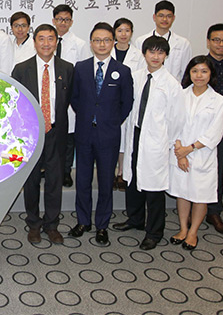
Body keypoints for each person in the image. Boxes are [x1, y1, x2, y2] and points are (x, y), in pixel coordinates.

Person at [113, 36, 185, 250]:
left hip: (157, 141)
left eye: (160, 53)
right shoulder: (135, 77)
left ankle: (154, 232)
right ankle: (135, 219)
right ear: (144, 54)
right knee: (134, 180)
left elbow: (176, 119)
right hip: (135, 134)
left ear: (166, 56)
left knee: (154, 188)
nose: (155, 56)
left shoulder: (171, 84)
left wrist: (167, 143)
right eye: (151, 52)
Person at [69, 22, 133, 245]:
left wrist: (111, 121)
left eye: (106, 40)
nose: (102, 44)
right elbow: (75, 98)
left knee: (106, 182)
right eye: (97, 40)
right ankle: (83, 221)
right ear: (91, 43)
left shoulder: (122, 71)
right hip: (84, 133)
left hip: (109, 135)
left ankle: (102, 225)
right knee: (83, 180)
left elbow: (127, 103)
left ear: (113, 42)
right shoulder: (81, 67)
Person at [11, 24, 73, 245]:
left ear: (56, 42)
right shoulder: (21, 69)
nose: (46, 43)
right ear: (34, 42)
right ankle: (34, 223)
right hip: (31, 134)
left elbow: (72, 101)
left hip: (57, 132)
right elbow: (14, 103)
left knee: (55, 180)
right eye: (41, 39)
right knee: (32, 180)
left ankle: (52, 224)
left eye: (50, 39)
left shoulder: (67, 68)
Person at [185, 24, 223, 234]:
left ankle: (214, 211)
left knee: (217, 170)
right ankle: (192, 207)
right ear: (208, 41)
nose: (221, 44)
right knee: (191, 170)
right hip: (194, 129)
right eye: (216, 40)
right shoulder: (199, 64)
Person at [169, 56, 223, 250]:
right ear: (189, 73)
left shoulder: (219, 101)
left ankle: (193, 232)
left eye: (204, 71)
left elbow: (215, 132)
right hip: (180, 153)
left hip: (202, 154)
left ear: (211, 74)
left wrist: (190, 149)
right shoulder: (180, 95)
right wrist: (181, 152)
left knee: (200, 194)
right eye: (195, 71)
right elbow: (173, 124)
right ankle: (183, 228)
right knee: (182, 192)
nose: (199, 76)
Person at [51, 4, 91, 188]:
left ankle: (66, 172)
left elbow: (82, 73)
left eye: (66, 20)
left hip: (71, 96)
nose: (63, 23)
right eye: (59, 19)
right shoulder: (47, 41)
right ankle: (50, 169)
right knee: (52, 135)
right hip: (51, 96)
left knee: (68, 138)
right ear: (53, 20)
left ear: (72, 22)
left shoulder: (80, 44)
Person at [110, 17, 145, 191]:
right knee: (111, 140)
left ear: (131, 33)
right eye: (120, 30)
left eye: (127, 30)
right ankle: (112, 172)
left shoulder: (138, 55)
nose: (123, 34)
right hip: (109, 102)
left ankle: (122, 173)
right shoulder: (107, 50)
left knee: (126, 140)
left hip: (128, 101)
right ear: (114, 33)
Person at [134, 0, 192, 83]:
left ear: (173, 18)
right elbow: (138, 68)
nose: (164, 19)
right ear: (154, 17)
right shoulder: (141, 41)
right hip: (145, 86)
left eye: (169, 16)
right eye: (161, 16)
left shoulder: (183, 44)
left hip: (172, 89)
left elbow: (186, 74)